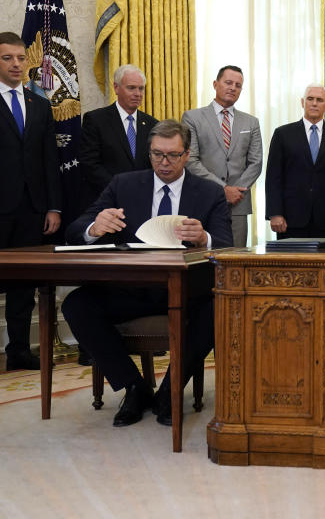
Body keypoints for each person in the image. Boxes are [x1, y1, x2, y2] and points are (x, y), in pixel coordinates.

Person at [61, 120, 232, 427]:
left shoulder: (209, 193)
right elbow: (75, 229)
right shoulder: (123, 185)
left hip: (187, 292)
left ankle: (169, 390)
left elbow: (228, 246)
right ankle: (134, 387)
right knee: (76, 305)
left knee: (219, 307)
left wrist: (203, 237)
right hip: (131, 290)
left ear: (187, 154)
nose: (164, 163)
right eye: (157, 155)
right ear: (149, 153)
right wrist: (93, 227)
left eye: (173, 155)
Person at [0, 32, 61, 370]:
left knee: (23, 286)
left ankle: (19, 352)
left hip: (31, 209)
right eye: (8, 58)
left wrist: (53, 206)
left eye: (21, 58)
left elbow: (49, 159)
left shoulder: (39, 104)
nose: (16, 64)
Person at [182, 65, 262, 246]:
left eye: (238, 85)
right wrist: (223, 189)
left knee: (236, 260)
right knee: (202, 258)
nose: (233, 88)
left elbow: (255, 163)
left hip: (238, 204)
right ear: (215, 84)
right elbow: (191, 160)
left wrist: (236, 191)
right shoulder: (192, 117)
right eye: (228, 82)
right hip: (203, 199)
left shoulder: (251, 122)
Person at [265, 85, 325, 239]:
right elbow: (273, 177)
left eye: (319, 100)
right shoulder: (283, 134)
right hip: (289, 221)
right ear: (302, 102)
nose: (314, 103)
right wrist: (275, 213)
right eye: (310, 99)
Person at [78, 64, 158, 210]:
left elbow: (153, 164)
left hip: (142, 201)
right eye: (131, 88)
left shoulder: (152, 124)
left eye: (141, 88)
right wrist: (120, 188)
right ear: (116, 88)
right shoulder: (96, 120)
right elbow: (89, 163)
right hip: (106, 201)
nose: (137, 94)